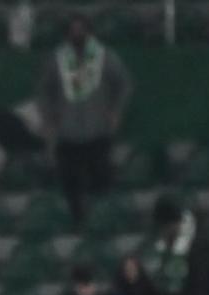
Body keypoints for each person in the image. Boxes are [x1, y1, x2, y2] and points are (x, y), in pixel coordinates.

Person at [37, 14, 130, 224]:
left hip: (97, 131)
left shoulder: (105, 57)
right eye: (73, 30)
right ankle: (78, 222)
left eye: (82, 30)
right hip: (67, 133)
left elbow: (123, 83)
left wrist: (116, 111)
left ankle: (103, 222)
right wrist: (49, 116)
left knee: (102, 182)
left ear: (90, 32)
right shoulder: (57, 60)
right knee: (70, 184)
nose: (77, 34)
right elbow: (44, 90)